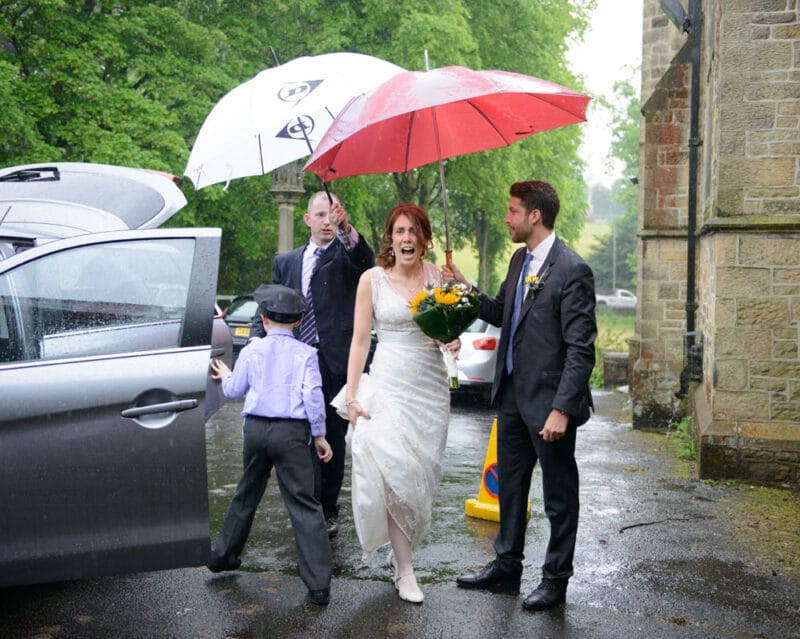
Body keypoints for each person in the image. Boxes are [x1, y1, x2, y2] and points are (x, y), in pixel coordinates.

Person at [445, 180, 597, 612]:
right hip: (510, 396)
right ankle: (507, 567)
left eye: (513, 211)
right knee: (510, 488)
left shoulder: (572, 269)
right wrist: (465, 288)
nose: (507, 218)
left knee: (558, 498)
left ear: (535, 216)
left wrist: (562, 409)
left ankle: (555, 581)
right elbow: (501, 314)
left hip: (550, 407)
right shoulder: (519, 260)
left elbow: (581, 349)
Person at [336, 203, 459, 604]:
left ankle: (401, 555)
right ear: (390, 238)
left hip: (429, 389)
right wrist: (352, 396)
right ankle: (406, 570)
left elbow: (445, 332)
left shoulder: (438, 278)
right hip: (387, 383)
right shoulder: (371, 280)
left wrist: (451, 337)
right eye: (399, 231)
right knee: (393, 471)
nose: (406, 239)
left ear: (424, 238)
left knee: (420, 478)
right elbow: (359, 341)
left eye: (413, 231)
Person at [250, 191, 374, 538]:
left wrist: (347, 228)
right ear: (307, 220)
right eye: (319, 215)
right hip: (294, 360)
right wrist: (257, 342)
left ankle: (329, 510)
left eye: (331, 216)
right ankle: (305, 505)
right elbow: (272, 305)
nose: (326, 222)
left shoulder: (346, 256)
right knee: (298, 436)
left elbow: (367, 262)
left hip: (333, 359)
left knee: (332, 436)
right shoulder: (286, 261)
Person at [209, 284, 333, 607]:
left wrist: (224, 375)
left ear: (263, 320)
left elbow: (234, 391)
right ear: (297, 323)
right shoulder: (307, 354)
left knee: (246, 492)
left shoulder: (252, 351)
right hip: (291, 434)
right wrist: (319, 436)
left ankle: (222, 556)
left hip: (255, 430)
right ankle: (318, 584)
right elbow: (312, 397)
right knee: (304, 504)